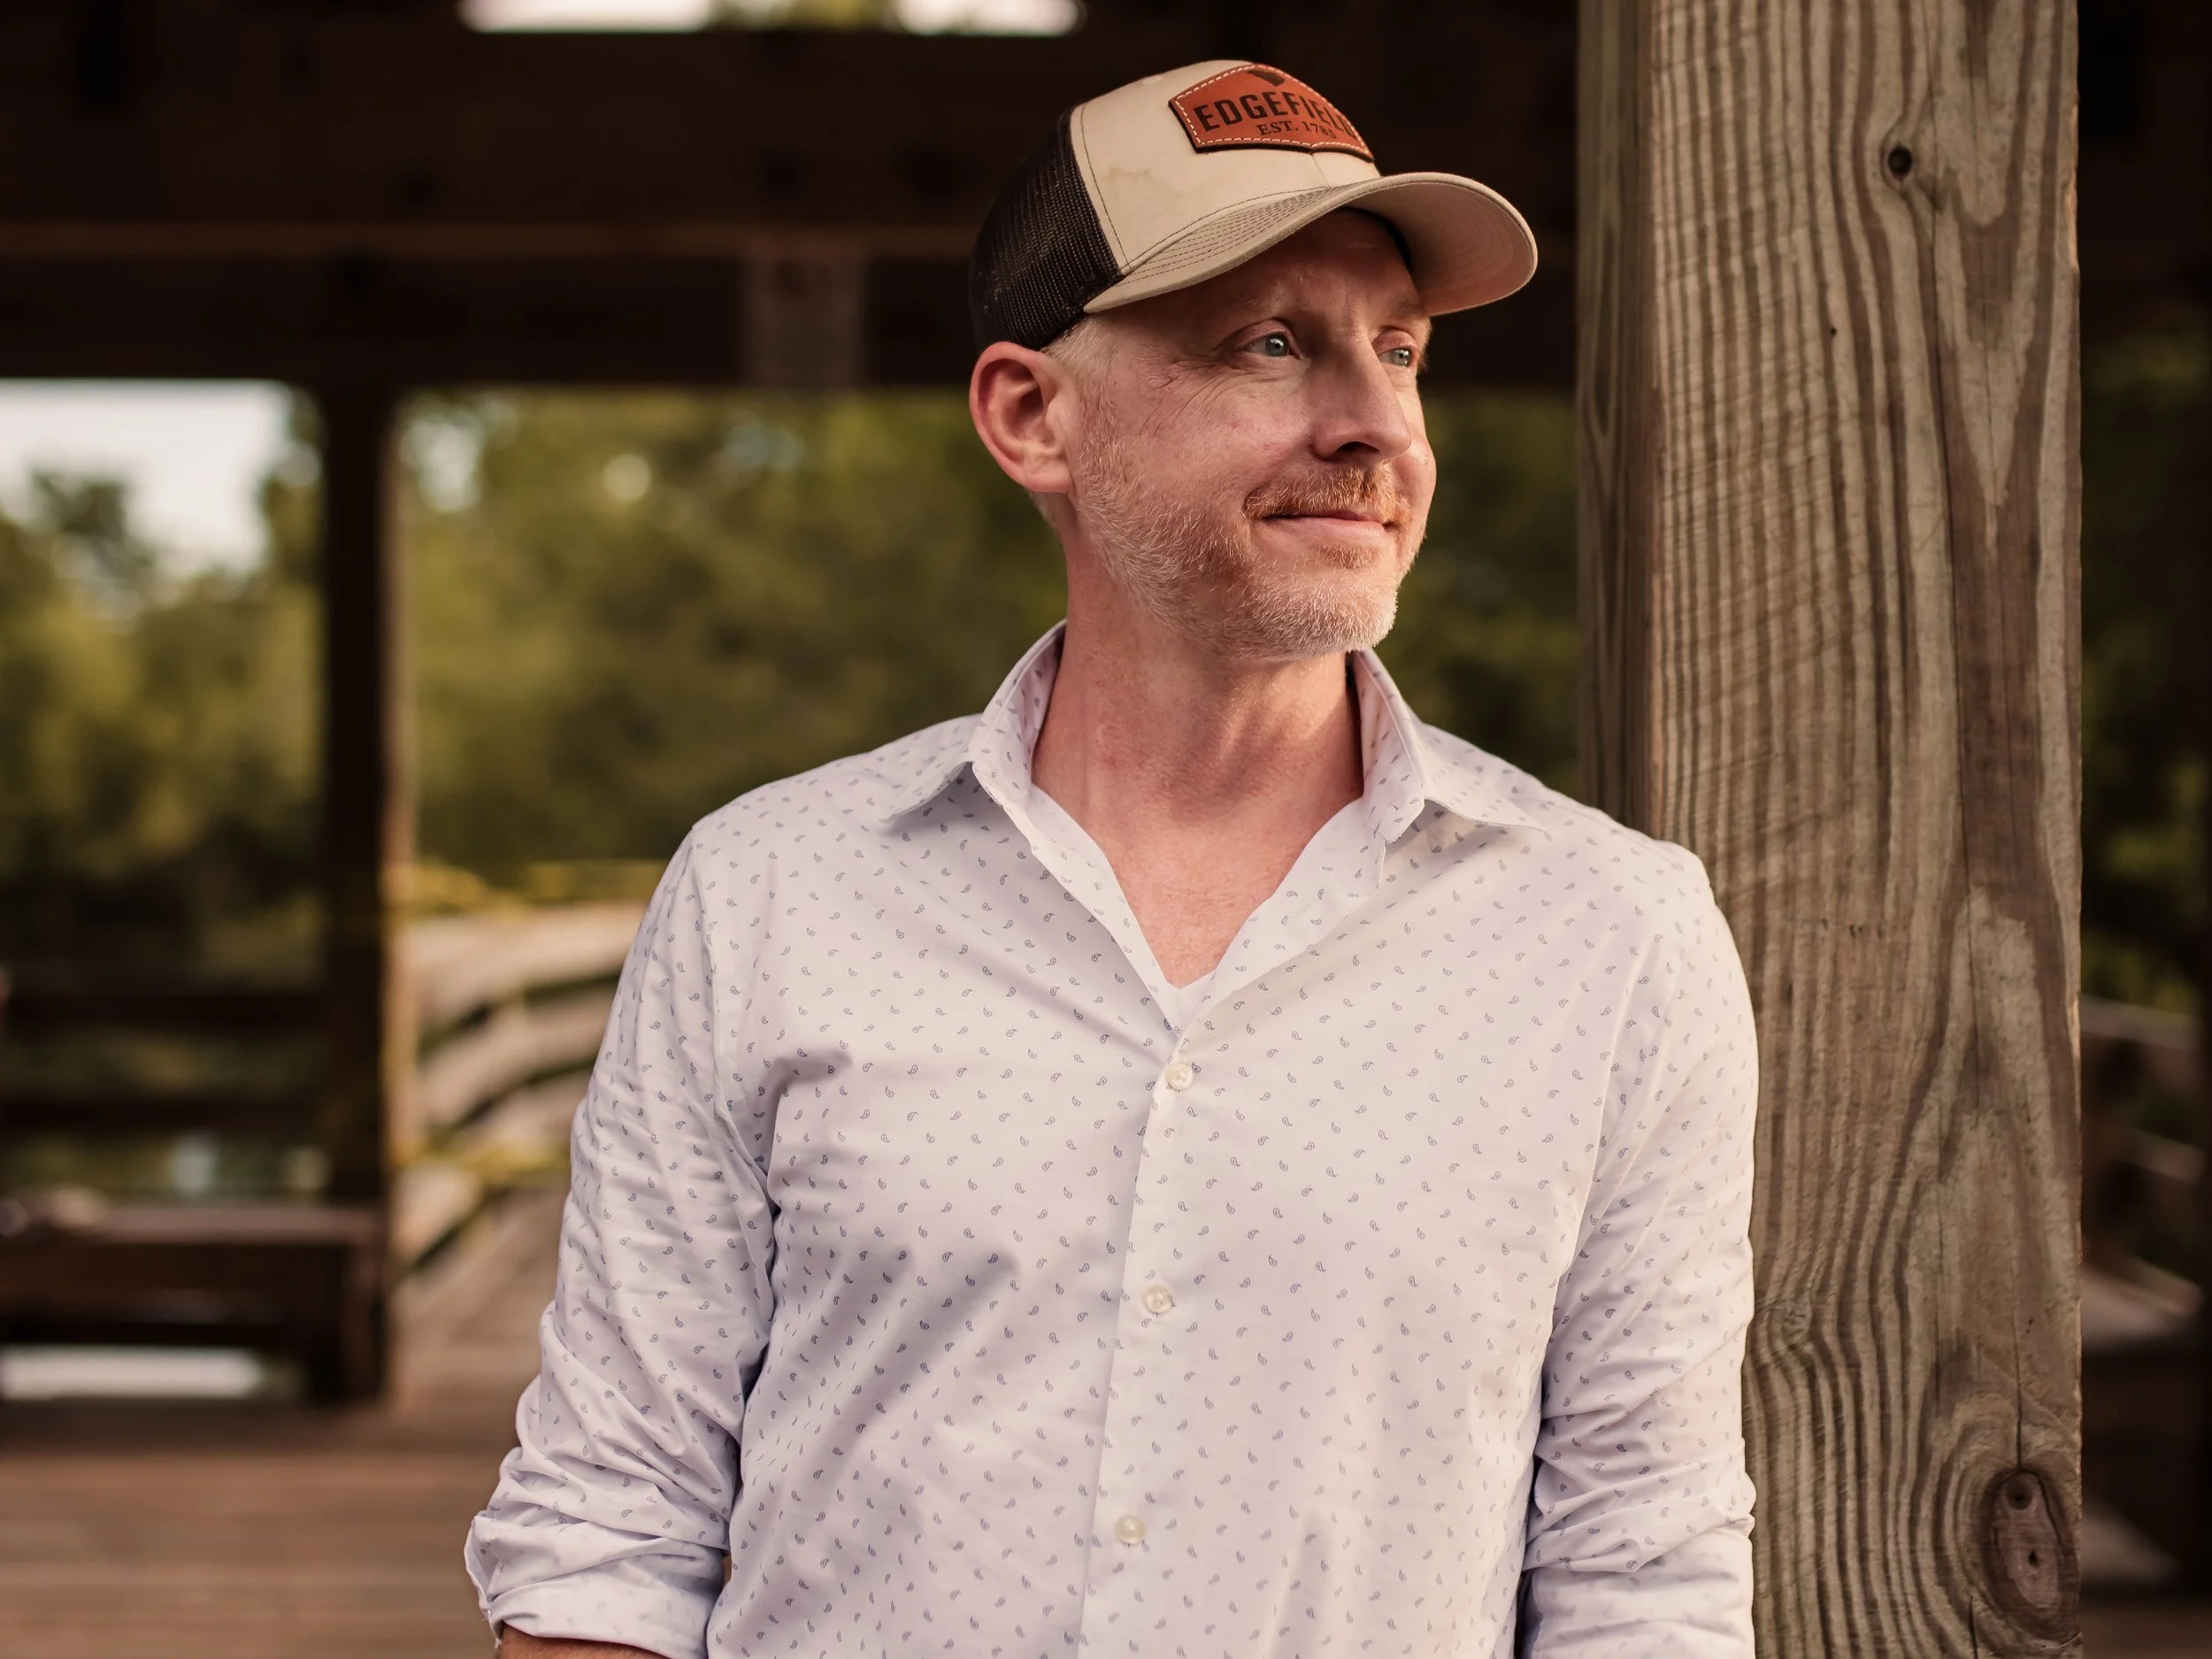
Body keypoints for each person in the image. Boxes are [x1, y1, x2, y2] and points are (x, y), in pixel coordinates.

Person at [467, 59, 1758, 1659]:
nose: (1372, 422)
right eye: (1271, 344)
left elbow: (1643, 1578)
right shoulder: (768, 895)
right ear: (1033, 416)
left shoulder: (1613, 938)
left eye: (1398, 347)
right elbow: (613, 1530)